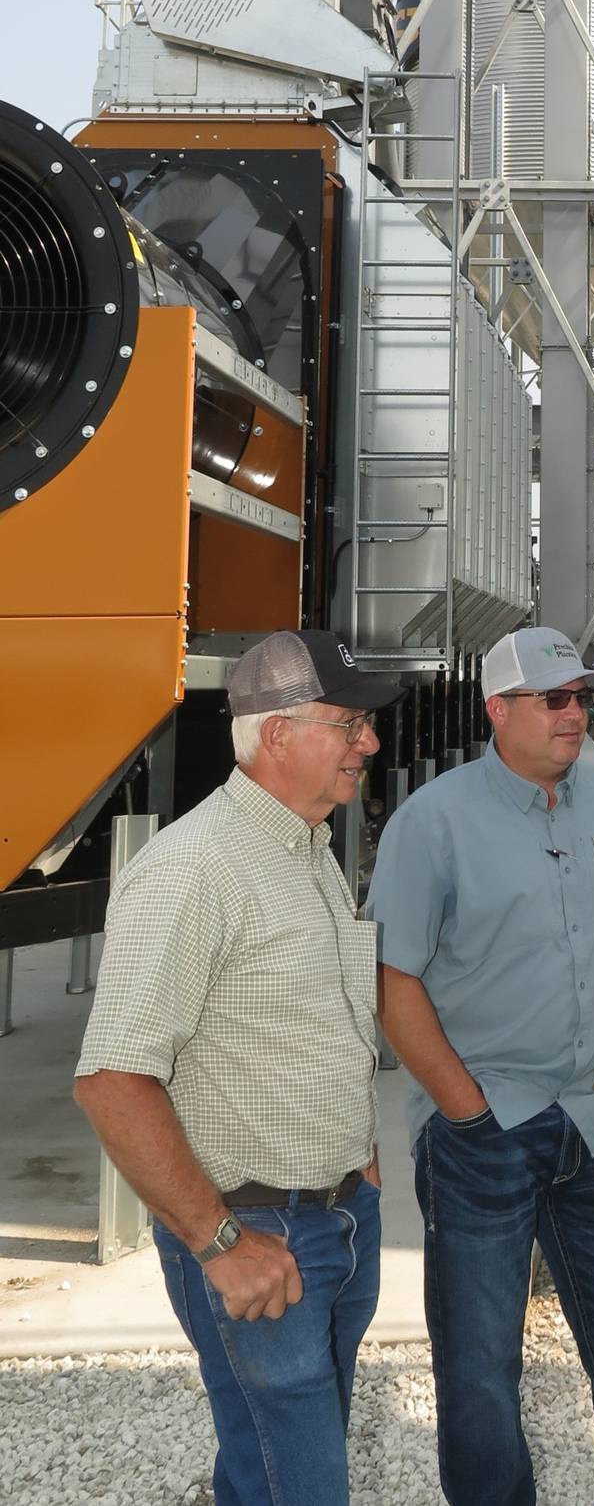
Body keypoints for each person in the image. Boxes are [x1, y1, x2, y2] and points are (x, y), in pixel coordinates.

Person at [366, 625, 594, 1506]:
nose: (575, 714)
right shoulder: (430, 823)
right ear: (498, 709)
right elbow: (392, 982)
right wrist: (464, 1108)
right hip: (482, 1135)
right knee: (479, 1374)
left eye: (583, 697)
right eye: (555, 698)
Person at [75, 629, 402, 1506]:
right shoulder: (192, 868)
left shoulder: (306, 848)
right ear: (279, 734)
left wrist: (359, 1166)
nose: (369, 743)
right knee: (298, 1482)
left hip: (332, 1219)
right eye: (350, 723)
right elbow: (111, 1079)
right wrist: (218, 1242)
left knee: (269, 1471)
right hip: (258, 1237)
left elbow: (318, 1024)